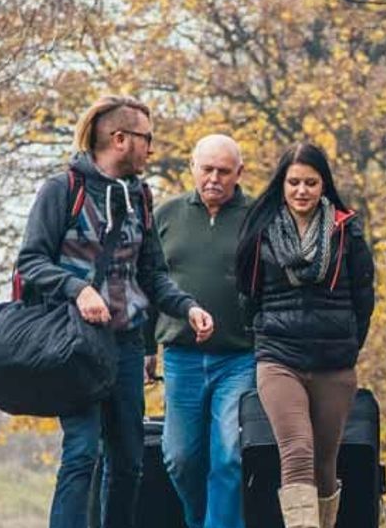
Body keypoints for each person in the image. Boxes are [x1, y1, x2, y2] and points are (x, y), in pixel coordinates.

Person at [16, 95, 215, 528]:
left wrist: (189, 307)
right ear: (120, 139)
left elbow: (153, 273)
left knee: (128, 461)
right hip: (73, 344)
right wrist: (78, 290)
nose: (152, 149)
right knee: (83, 451)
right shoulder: (62, 190)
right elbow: (30, 262)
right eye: (147, 139)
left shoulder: (141, 196)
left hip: (124, 345)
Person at [234, 142, 375, 528]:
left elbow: (364, 298)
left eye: (310, 183)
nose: (301, 191)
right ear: (282, 184)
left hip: (334, 362)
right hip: (279, 358)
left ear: (323, 185)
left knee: (325, 463)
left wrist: (348, 343)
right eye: (294, 182)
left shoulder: (348, 232)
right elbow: (248, 297)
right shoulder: (261, 232)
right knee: (296, 451)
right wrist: (264, 338)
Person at [144, 134, 254, 528]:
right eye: (206, 169)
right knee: (180, 457)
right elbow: (147, 281)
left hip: (240, 356)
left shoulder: (257, 217)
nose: (214, 179)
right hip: (181, 357)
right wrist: (146, 346)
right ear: (192, 167)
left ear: (239, 173)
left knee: (230, 453)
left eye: (224, 171)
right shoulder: (166, 215)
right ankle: (200, 521)